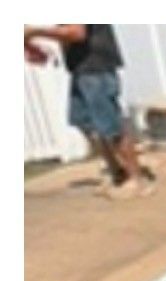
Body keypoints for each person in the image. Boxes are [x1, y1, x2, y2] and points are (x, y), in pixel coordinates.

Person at [24, 24, 155, 197]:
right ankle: (117, 172)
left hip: (97, 68)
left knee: (110, 125)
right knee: (83, 120)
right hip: (80, 69)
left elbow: (77, 33)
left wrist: (35, 32)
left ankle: (137, 180)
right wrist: (34, 46)